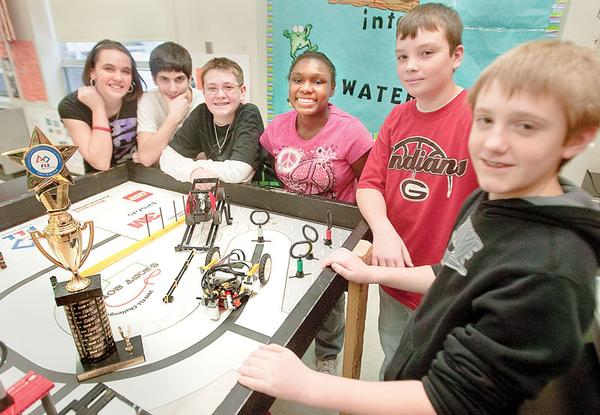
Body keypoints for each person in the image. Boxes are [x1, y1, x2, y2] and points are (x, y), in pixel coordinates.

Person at [239, 39, 600, 415]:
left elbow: (450, 399)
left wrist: (306, 384)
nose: (492, 144)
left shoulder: (549, 271)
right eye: (485, 120)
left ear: (578, 137)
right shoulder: (493, 200)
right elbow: (456, 274)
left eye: (525, 126)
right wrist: (372, 271)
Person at [355, 3, 478, 378]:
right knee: (395, 363)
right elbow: (369, 185)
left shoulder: (479, 116)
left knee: (438, 379)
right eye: (402, 56)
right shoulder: (397, 117)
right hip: (395, 276)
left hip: (451, 287)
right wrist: (384, 231)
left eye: (427, 53)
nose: (411, 66)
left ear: (456, 55)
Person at [260, 51, 373, 374]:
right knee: (287, 283)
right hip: (293, 220)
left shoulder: (351, 131)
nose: (307, 88)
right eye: (299, 80)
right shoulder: (278, 126)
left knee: (329, 301)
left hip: (337, 226)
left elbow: (370, 185)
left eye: (317, 81)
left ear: (332, 89)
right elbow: (270, 167)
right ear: (289, 86)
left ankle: (327, 354)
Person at [159, 57, 264, 184]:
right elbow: (166, 158)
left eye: (228, 87)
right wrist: (194, 172)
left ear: (242, 92)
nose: (220, 95)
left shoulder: (249, 113)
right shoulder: (201, 113)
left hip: (258, 192)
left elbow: (239, 172)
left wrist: (199, 165)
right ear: (204, 93)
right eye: (212, 88)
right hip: (219, 190)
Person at [58, 39, 145, 172]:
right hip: (102, 183)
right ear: (92, 72)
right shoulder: (71, 106)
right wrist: (97, 108)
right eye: (108, 69)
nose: (118, 78)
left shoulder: (140, 99)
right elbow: (101, 163)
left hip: (140, 176)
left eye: (125, 71)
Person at [136, 42, 204, 167]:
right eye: (164, 79)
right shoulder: (148, 101)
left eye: (179, 79)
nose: (173, 89)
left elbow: (208, 157)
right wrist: (173, 118)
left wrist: (157, 153)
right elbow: (146, 158)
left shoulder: (203, 101)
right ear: (154, 79)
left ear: (189, 78)